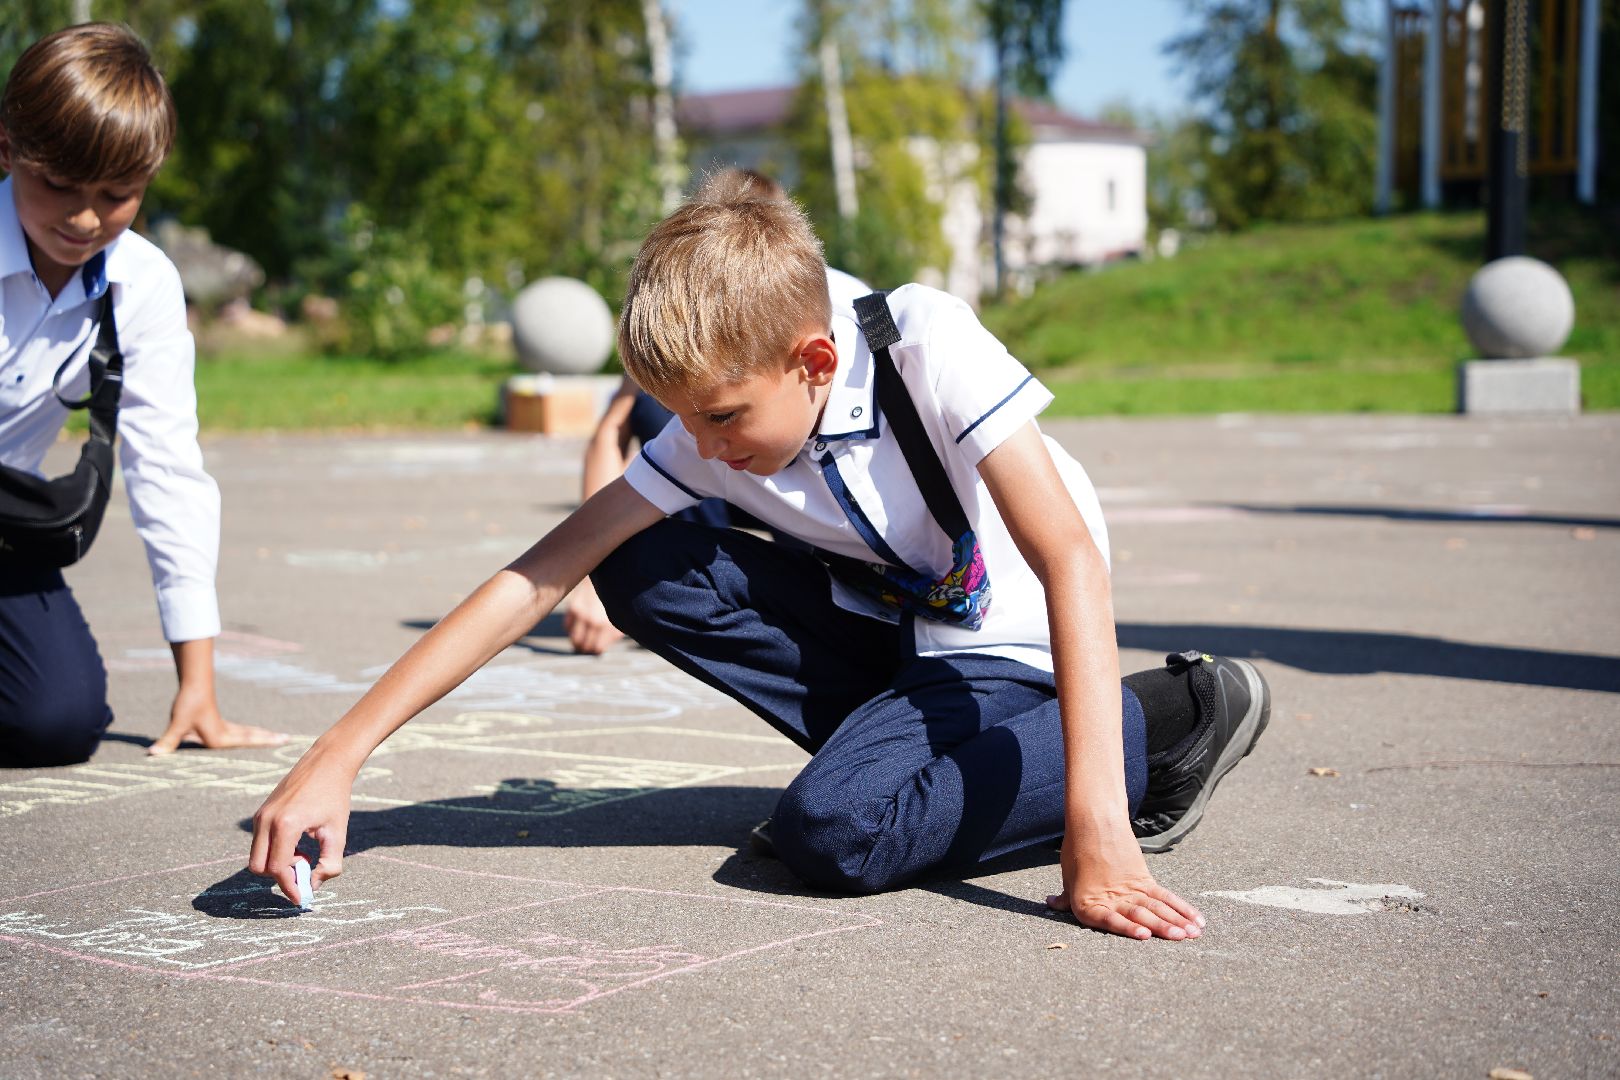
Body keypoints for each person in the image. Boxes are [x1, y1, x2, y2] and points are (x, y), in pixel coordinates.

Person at [249, 181, 1270, 941]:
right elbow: (539, 574)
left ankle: (1156, 727)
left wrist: (1098, 834)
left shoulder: (923, 343)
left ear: (815, 361)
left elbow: (1071, 563)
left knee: (833, 833)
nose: (706, 443)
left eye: (725, 416)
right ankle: (937, 775)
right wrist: (339, 759)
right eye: (687, 418)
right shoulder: (723, 410)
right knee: (643, 565)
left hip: (1011, 645)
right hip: (899, 635)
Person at [0, 23, 286, 766]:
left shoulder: (143, 283)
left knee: (58, 722)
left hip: (6, 526)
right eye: (57, 185)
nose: (85, 218)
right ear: (6, 152)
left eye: (117, 195)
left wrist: (198, 684)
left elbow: (164, 468)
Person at [565, 167, 866, 654]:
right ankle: (704, 576)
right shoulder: (694, 306)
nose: (702, 445)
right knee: (647, 406)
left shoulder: (840, 303)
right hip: (737, 478)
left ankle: (828, 577)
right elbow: (611, 430)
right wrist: (589, 576)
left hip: (830, 485)